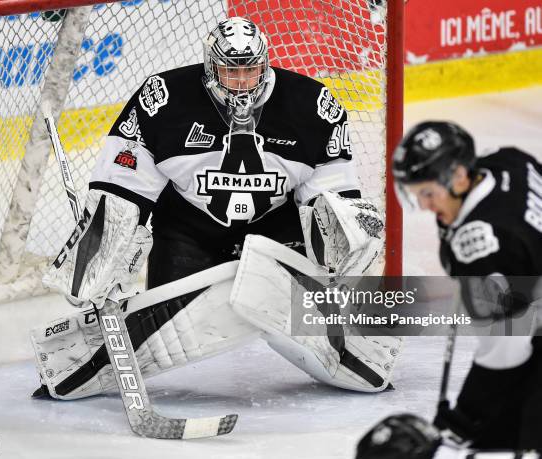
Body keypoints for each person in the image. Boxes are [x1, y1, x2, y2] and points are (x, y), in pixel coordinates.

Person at [31, 17, 401, 401]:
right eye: (230, 71)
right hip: (189, 232)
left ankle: (350, 351)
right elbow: (120, 193)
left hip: (276, 234)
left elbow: (333, 199)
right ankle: (72, 368)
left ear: (266, 64)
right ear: (210, 67)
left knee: (360, 367)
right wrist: (97, 260)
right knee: (169, 326)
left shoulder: (312, 107)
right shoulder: (163, 100)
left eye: (251, 70)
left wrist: (345, 251)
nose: (242, 83)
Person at [356, 121, 542, 458]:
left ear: (459, 178)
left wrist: (464, 420)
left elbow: (505, 349)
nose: (425, 206)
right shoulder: (507, 162)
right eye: (418, 195)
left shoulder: (485, 249)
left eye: (429, 193)